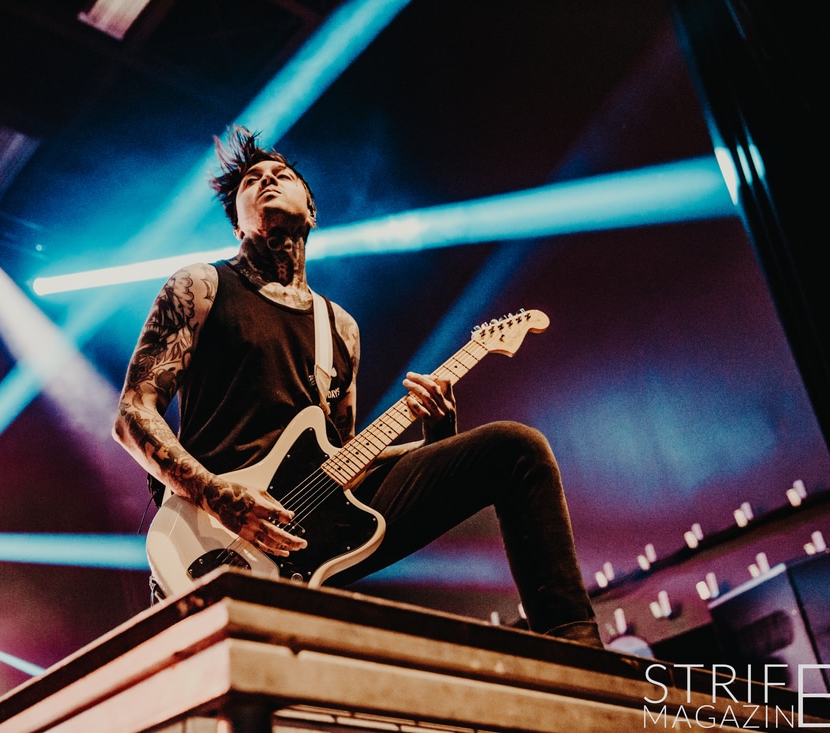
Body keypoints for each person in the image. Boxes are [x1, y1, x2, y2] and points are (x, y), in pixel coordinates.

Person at [113, 127, 603, 648]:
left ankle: (576, 644)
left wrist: (437, 438)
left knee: (515, 450)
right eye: (252, 180)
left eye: (281, 174)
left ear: (312, 211)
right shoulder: (201, 286)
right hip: (211, 534)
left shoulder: (340, 329)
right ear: (237, 223)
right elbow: (132, 413)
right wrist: (217, 495)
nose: (267, 180)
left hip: (306, 524)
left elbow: (341, 464)